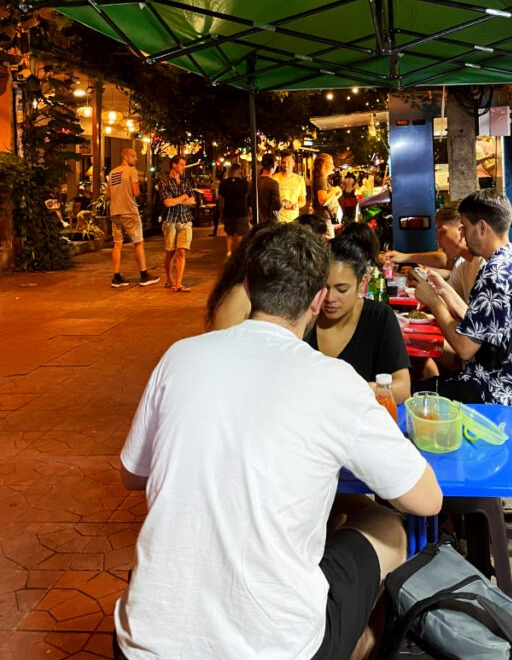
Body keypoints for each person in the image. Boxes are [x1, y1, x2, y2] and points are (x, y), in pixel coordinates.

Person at [113, 223, 441, 660]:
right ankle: (361, 643)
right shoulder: (335, 382)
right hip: (280, 647)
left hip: (145, 643)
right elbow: (427, 500)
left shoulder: (180, 356)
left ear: (247, 285)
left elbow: (133, 475)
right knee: (387, 525)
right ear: (317, 298)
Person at [416, 190, 512, 417]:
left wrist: (433, 302)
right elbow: (479, 321)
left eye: (465, 227)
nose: (463, 235)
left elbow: (465, 348)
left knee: (413, 396)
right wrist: (443, 290)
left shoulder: (495, 274)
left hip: (498, 393)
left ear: (482, 227)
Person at [305, 235, 412, 404]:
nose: (330, 298)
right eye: (323, 288)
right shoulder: (305, 316)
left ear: (362, 283)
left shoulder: (380, 317)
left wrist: (348, 389)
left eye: (342, 289)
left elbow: (402, 389)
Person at [106, 148, 159, 289]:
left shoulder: (112, 173)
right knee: (138, 242)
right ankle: (144, 275)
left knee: (117, 243)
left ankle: (116, 277)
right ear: (127, 156)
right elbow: (136, 192)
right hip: (129, 211)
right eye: (134, 156)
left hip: (115, 212)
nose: (135, 159)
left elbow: (109, 195)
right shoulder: (131, 171)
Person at [158, 155, 197, 293]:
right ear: (174, 165)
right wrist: (182, 197)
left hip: (185, 219)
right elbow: (167, 203)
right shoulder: (164, 182)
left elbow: (193, 200)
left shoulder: (185, 181)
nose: (183, 167)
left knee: (181, 250)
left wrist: (177, 200)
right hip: (170, 220)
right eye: (181, 164)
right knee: (170, 251)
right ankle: (169, 278)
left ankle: (179, 282)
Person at [219, 161, 250, 256]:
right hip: (241, 211)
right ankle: (240, 253)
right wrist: (249, 211)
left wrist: (221, 212)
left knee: (229, 233)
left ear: (230, 171)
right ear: (239, 171)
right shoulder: (244, 183)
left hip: (228, 211)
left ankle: (229, 251)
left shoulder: (224, 183)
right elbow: (247, 197)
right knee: (240, 233)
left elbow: (221, 199)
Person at [312, 153, 342, 236]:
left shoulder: (323, 179)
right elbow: (322, 200)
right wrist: (334, 190)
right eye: (331, 163)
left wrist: (336, 194)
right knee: (328, 244)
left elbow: (328, 198)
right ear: (324, 164)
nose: (333, 166)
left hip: (325, 218)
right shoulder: (321, 179)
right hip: (324, 220)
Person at [274, 150, 307, 223]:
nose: (286, 165)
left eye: (289, 162)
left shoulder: (300, 179)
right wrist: (281, 203)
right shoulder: (274, 179)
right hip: (278, 219)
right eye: (283, 162)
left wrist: (297, 205)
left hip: (294, 219)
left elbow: (303, 200)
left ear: (293, 164)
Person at [257, 153, 281, 223]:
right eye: (276, 165)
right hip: (269, 222)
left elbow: (248, 202)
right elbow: (277, 205)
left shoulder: (252, 182)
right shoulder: (273, 183)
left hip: (256, 221)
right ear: (273, 165)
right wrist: (283, 203)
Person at [210, 166, 226, 237]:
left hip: (218, 202)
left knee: (216, 216)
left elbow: (212, 192)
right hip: (225, 202)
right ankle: (231, 232)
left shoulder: (215, 184)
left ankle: (215, 231)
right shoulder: (224, 183)